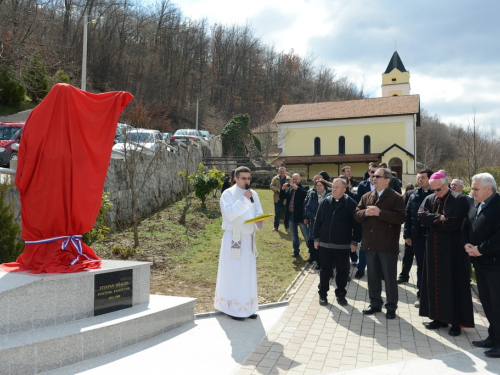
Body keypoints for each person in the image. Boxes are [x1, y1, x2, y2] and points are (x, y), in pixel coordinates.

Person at [418, 172, 474, 336]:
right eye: (434, 190)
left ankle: (455, 322)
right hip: (433, 250)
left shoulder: (460, 199)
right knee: (435, 284)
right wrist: (439, 218)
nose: (436, 193)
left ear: (447, 184)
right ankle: (438, 318)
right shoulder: (430, 199)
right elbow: (421, 218)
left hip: (453, 251)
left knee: (453, 285)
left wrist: (433, 222)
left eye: (439, 189)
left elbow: (454, 224)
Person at [354, 168, 405, 319]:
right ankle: (375, 303)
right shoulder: (367, 196)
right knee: (373, 276)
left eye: (378, 176)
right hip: (370, 244)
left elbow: (401, 217)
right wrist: (364, 213)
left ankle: (391, 307)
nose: (373, 178)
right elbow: (356, 213)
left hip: (387, 245)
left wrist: (380, 213)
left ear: (387, 180)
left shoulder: (396, 197)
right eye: (373, 175)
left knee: (389, 278)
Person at [214, 166, 264, 320]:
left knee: (247, 274)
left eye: (249, 178)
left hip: (248, 239)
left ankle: (247, 308)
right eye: (243, 178)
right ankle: (232, 308)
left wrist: (260, 220)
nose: (247, 181)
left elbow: (258, 212)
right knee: (233, 273)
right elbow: (229, 214)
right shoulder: (228, 193)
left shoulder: (253, 194)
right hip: (233, 239)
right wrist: (244, 200)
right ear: (235, 178)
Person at [462, 173, 500, 357]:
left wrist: (480, 249)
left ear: (489, 189)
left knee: (497, 304)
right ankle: (492, 338)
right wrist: (466, 244)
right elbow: (466, 226)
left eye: (476, 189)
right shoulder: (476, 204)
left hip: (495, 263)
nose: (472, 192)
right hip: (480, 261)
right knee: (487, 302)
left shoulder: (498, 206)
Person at [315, 178, 361, 306]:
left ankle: (341, 294)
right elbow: (318, 220)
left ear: (344, 189)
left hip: (342, 245)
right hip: (325, 243)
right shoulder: (326, 202)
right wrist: (316, 238)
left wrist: (355, 241)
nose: (333, 189)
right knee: (325, 271)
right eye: (333, 186)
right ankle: (323, 294)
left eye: (337, 187)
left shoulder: (351, 204)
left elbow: (356, 225)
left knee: (342, 271)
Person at [400, 169, 434, 309]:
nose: (419, 180)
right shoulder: (412, 194)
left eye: (423, 178)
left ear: (430, 179)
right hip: (417, 237)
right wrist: (407, 235)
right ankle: (421, 296)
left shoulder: (437, 194)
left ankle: (433, 296)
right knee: (420, 266)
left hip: (433, 237)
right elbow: (407, 216)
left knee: (432, 267)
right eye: (418, 178)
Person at [353, 164, 378, 279]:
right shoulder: (363, 185)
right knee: (364, 245)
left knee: (378, 246)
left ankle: (379, 271)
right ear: (369, 173)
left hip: (379, 220)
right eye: (372, 172)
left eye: (377, 173)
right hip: (366, 220)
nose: (374, 175)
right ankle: (361, 268)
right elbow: (359, 203)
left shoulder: (384, 186)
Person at [305, 179, 331, 269]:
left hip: (326, 225)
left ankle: (326, 263)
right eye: (317, 186)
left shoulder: (329, 196)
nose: (318, 187)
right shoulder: (312, 196)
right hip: (314, 224)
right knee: (315, 243)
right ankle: (318, 263)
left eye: (320, 185)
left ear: (325, 186)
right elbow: (307, 210)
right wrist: (314, 216)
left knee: (324, 245)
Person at [283, 173, 309, 257]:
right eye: (293, 179)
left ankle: (312, 252)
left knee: (306, 235)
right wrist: (283, 189)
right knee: (294, 235)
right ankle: (296, 251)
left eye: (296, 179)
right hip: (291, 216)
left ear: (300, 179)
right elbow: (283, 196)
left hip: (301, 216)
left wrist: (297, 189)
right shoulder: (290, 189)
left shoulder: (305, 188)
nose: (294, 180)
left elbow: (306, 195)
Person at [270, 167, 292, 231]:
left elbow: (291, 186)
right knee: (277, 213)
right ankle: (275, 227)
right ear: (278, 172)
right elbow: (271, 186)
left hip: (286, 199)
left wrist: (285, 190)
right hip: (277, 198)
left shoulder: (289, 179)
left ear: (285, 171)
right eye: (281, 171)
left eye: (283, 171)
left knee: (286, 213)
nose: (282, 172)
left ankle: (287, 227)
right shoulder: (275, 178)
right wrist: (278, 190)